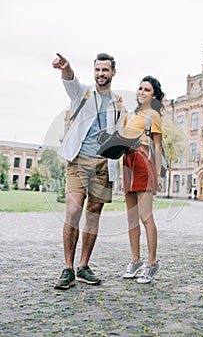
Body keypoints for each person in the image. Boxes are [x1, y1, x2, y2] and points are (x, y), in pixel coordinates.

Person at [52, 52, 125, 289]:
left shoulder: (119, 103)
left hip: (104, 164)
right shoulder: (82, 93)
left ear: (113, 72)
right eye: (97, 70)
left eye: (105, 70)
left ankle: (83, 266)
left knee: (93, 214)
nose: (101, 74)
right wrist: (66, 67)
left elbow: (120, 134)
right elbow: (70, 80)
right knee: (73, 211)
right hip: (78, 160)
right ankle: (68, 268)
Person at [122, 75, 164, 284]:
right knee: (131, 218)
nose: (141, 92)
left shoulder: (153, 115)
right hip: (127, 162)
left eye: (146, 90)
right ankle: (135, 260)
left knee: (146, 217)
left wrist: (156, 173)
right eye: (140, 88)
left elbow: (157, 146)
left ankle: (152, 263)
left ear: (153, 94)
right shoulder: (130, 115)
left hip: (143, 160)